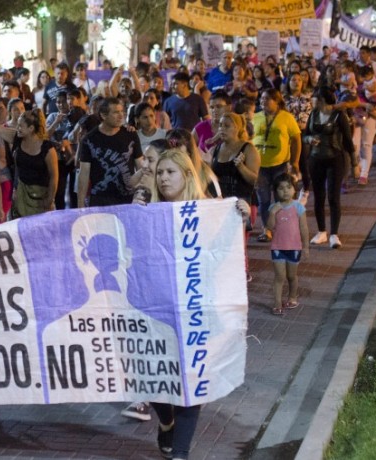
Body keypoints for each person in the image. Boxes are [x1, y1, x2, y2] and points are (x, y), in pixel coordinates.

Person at [133, 147, 249, 460]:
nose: (163, 178)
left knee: (192, 378)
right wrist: (134, 216)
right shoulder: (146, 208)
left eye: (170, 172)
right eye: (160, 172)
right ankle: (167, 422)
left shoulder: (209, 210)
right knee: (154, 377)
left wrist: (240, 212)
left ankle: (180, 452)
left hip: (197, 310)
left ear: (187, 175)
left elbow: (223, 248)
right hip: (156, 310)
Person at [303, 88, 357, 249]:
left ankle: (334, 234)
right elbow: (305, 135)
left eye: (315, 99)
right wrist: (310, 138)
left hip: (335, 159)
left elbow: (347, 140)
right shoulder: (313, 115)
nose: (313, 102)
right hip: (315, 159)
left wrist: (354, 163)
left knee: (333, 197)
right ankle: (321, 232)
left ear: (323, 101)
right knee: (318, 197)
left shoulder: (339, 116)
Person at [252, 89, 301, 242]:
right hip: (260, 165)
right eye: (262, 98)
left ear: (277, 101)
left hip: (280, 165)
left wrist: (295, 161)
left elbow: (296, 140)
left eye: (267, 99)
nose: (263, 101)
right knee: (264, 199)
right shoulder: (256, 117)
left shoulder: (287, 117)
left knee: (282, 198)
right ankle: (266, 230)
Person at [77, 97, 144, 207]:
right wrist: (80, 204)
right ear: (103, 115)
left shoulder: (131, 134)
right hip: (100, 199)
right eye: (116, 112)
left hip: (128, 198)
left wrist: (141, 193)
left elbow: (141, 166)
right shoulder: (89, 139)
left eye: (122, 111)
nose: (121, 115)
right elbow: (84, 173)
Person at [267, 173, 309, 315]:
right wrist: (272, 213)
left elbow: (304, 228)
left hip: (294, 248)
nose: (285, 191)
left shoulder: (298, 207)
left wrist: (306, 247)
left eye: (288, 187)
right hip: (278, 248)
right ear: (276, 191)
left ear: (294, 189)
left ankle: (292, 297)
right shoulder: (274, 207)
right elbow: (269, 227)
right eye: (281, 188)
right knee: (279, 277)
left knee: (292, 276)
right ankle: (277, 303)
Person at [283, 73, 314, 203]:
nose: (296, 82)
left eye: (299, 80)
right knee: (289, 165)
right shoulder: (283, 99)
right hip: (288, 134)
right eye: (293, 80)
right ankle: (292, 192)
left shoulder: (308, 99)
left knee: (303, 162)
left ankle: (306, 190)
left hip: (304, 132)